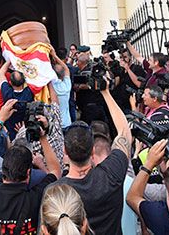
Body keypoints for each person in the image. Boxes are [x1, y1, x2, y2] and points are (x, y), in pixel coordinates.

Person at [0, 99, 62, 234]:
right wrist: (42, 136)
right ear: (28, 173)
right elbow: (55, 170)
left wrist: (0, 120)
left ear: (3, 170)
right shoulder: (35, 198)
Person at [60, 79, 130, 235]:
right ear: (93, 152)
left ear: (65, 151)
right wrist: (105, 92)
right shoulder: (111, 174)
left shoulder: (56, 190)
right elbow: (124, 132)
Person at [0, 61, 34, 139]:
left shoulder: (7, 92)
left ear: (10, 83)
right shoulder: (30, 92)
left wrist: (10, 59)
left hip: (10, 132)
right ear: (24, 81)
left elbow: (1, 73)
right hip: (26, 131)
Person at [50, 48, 73, 128]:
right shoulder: (67, 86)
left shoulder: (51, 86)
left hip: (55, 124)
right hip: (67, 122)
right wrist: (55, 56)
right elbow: (66, 69)